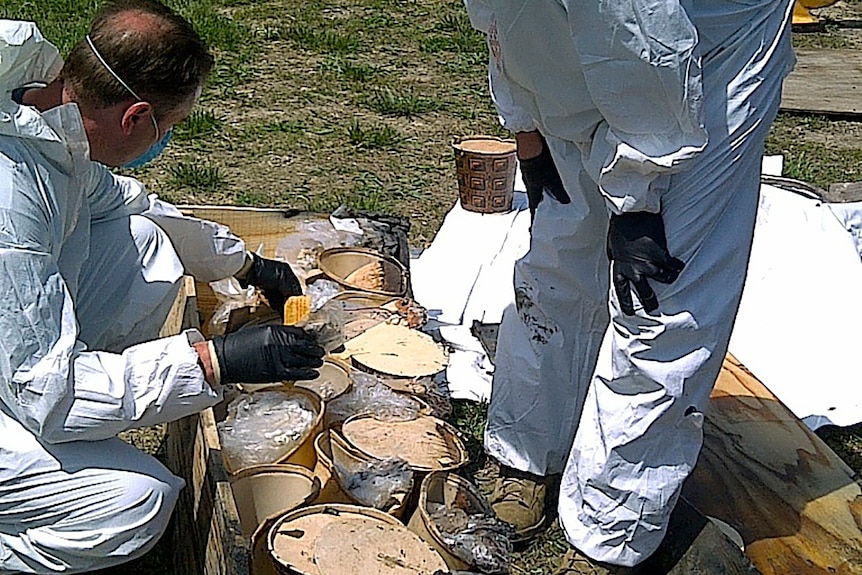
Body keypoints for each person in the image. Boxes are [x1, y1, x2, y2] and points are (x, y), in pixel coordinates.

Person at [462, 0, 796, 573]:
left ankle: (611, 528)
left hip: (707, 58)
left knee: (662, 304)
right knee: (560, 257)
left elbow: (641, 35)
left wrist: (638, 196)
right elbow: (502, 17)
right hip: (593, 55)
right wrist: (526, 130)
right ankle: (528, 451)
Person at [0, 2, 324, 573]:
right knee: (138, 500)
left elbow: (136, 207)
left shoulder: (49, 131)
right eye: (167, 129)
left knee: (146, 243)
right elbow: (44, 394)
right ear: (136, 117)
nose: (164, 142)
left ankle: (86, 430)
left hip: (19, 363)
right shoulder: (12, 201)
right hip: (25, 383)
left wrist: (246, 264)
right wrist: (209, 362)